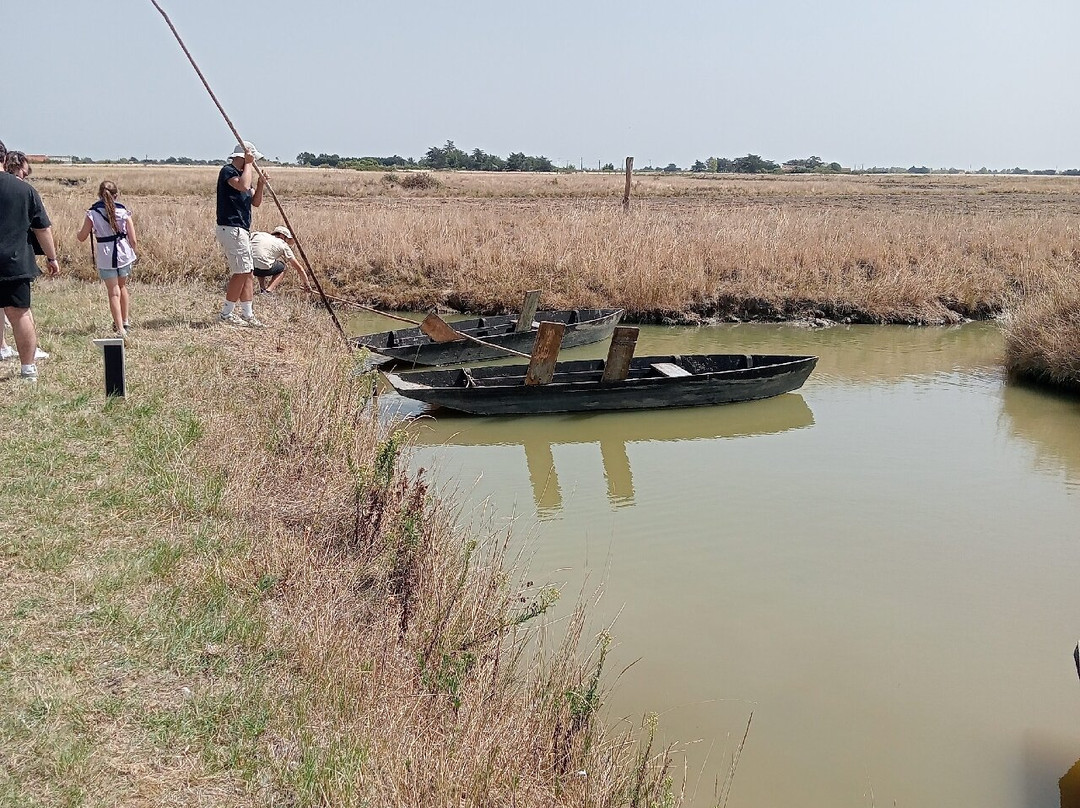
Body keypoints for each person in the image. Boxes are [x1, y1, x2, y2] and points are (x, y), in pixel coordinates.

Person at [0, 138, 59, 380]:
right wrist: (52, 257)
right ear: (4, 159)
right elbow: (42, 228)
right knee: (20, 314)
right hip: (14, 262)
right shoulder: (24, 189)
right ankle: (28, 368)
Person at [76, 181, 138, 337]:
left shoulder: (93, 213)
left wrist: (79, 232)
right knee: (122, 288)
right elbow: (133, 239)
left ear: (99, 195)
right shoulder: (123, 212)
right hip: (123, 253)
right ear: (116, 195)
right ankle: (125, 322)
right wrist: (133, 253)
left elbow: (82, 237)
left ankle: (120, 328)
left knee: (113, 292)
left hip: (105, 254)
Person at [215, 141, 267, 327]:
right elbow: (243, 186)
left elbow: (256, 201)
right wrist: (249, 163)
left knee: (248, 272)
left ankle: (248, 313)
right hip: (231, 227)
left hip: (242, 229)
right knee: (241, 271)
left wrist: (260, 184)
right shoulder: (228, 171)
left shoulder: (244, 174)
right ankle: (226, 313)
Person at [251, 226, 312, 293]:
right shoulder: (283, 244)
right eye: (287, 240)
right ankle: (269, 290)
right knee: (283, 267)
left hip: (249, 267)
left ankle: (262, 289)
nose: (287, 242)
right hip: (259, 267)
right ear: (282, 236)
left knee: (262, 261)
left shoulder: (259, 235)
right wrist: (307, 283)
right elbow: (299, 268)